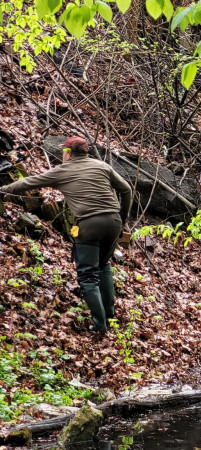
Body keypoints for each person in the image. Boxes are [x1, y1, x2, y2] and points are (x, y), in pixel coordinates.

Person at [0, 137, 132, 334]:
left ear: (69, 153)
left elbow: (29, 182)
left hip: (89, 224)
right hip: (113, 221)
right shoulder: (102, 166)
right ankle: (110, 315)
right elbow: (126, 189)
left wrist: (3, 189)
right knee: (104, 265)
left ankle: (100, 325)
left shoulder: (62, 171)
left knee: (88, 275)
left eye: (64, 151)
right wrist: (123, 218)